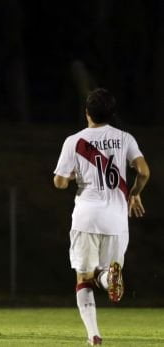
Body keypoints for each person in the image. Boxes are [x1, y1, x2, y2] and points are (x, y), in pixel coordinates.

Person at [53, 88, 149, 346]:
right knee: (104, 273)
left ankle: (93, 336)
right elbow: (143, 171)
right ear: (112, 113)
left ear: (86, 113)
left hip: (86, 216)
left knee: (83, 278)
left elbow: (60, 183)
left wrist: (72, 176)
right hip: (117, 218)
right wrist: (135, 194)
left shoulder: (74, 141)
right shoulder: (124, 138)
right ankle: (109, 278)